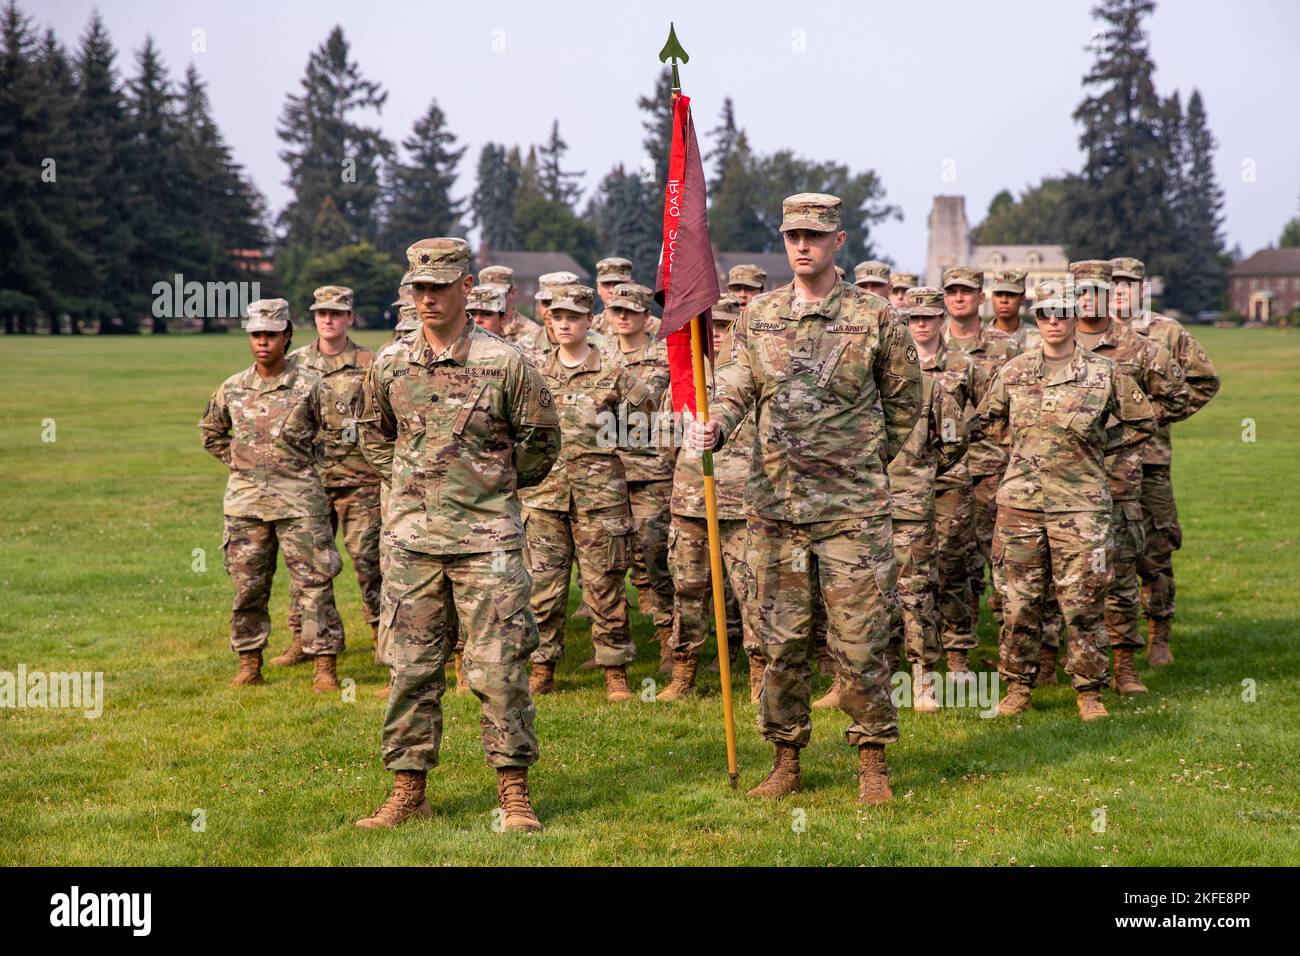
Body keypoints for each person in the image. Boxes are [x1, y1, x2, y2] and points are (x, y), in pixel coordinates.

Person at [691, 193, 921, 805]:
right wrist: (719, 426)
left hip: (853, 513)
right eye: (793, 234)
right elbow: (736, 387)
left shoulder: (876, 318)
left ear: (837, 242)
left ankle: (872, 762)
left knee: (862, 639)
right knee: (779, 641)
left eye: (814, 236)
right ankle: (786, 757)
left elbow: (905, 403)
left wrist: (865, 462)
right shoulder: (758, 316)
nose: (802, 245)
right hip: (777, 512)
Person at [355, 238, 560, 833]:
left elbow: (542, 443)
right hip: (413, 543)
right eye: (418, 288)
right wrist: (411, 492)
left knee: (499, 670)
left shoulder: (506, 364)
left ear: (466, 288)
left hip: (487, 543)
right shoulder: (392, 363)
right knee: (410, 668)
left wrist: (489, 489)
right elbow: (374, 434)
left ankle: (514, 791)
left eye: (439, 287)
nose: (427, 298)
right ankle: (407, 790)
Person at [979, 278, 1155, 720]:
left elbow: (1143, 420)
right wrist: (1025, 446)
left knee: (1082, 603)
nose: (1053, 322)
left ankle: (1089, 690)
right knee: (1017, 603)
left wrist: (1097, 444)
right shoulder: (1015, 371)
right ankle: (1018, 685)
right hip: (1020, 504)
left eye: (1061, 314)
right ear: (1036, 318)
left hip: (1081, 508)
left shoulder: (1104, 373)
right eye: (1044, 314)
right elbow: (987, 419)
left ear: (1074, 318)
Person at [1035, 262, 1187, 693]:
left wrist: (1116, 436)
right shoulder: (1048, 345)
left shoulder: (1138, 348)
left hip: (1119, 479)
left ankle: (1124, 664)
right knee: (1050, 575)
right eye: (1080, 292)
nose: (1088, 300)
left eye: (1097, 292)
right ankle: (1049, 660)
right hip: (1058, 482)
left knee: (1117, 570)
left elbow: (1177, 395)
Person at [199, 298, 345, 691]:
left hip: (300, 503)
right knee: (248, 587)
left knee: (315, 585)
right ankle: (249, 663)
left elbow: (339, 433)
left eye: (271, 335)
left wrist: (305, 464)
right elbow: (211, 433)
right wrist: (244, 462)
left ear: (287, 337)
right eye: (256, 335)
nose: (263, 342)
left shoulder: (311, 386)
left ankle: (324, 667)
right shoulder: (232, 388)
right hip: (246, 504)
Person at [520, 284, 654, 701]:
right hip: (544, 498)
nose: (564, 323)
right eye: (557, 316)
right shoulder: (533, 371)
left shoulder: (612, 373)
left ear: (588, 320)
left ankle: (615, 673)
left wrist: (617, 444)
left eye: (573, 317)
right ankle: (542, 668)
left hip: (600, 500)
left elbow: (647, 414)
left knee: (605, 587)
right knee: (543, 588)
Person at [1110, 256, 1220, 666]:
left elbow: (1204, 381)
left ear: (1143, 288)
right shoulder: (1087, 332)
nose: (1120, 290)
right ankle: (1111, 642)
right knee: (1104, 552)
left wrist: (1153, 415)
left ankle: (1159, 634)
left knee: (1155, 548)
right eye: (1114, 283)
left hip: (1149, 461)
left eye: (1128, 283)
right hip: (1095, 464)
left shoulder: (1166, 332)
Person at [658, 294, 763, 702]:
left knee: (753, 593)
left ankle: (758, 677)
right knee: (688, 589)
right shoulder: (685, 382)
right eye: (710, 328)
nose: (716, 336)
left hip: (743, 505)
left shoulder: (752, 381)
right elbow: (668, 443)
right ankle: (683, 674)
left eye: (724, 328)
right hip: (691, 503)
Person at [278, 285, 383, 673]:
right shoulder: (294, 365)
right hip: (310, 484)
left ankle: (379, 638)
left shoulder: (372, 362)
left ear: (349, 318)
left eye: (336, 313)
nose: (328, 319)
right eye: (322, 313)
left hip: (362, 482)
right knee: (306, 565)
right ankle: (302, 639)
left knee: (370, 562)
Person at [894, 287, 978, 712]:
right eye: (912, 319)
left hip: (912, 503)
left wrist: (925, 470)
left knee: (916, 591)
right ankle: (851, 680)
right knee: (856, 597)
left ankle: (923, 679)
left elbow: (956, 438)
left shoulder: (933, 386)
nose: (920, 325)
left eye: (928, 317)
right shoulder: (865, 385)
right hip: (861, 504)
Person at [942, 266, 1021, 651]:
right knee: (956, 562)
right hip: (945, 474)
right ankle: (964, 647)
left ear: (980, 296)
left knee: (1003, 560)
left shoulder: (1005, 347)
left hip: (993, 469)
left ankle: (1012, 648)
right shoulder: (928, 344)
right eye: (952, 291)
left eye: (967, 291)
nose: (959, 298)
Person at [599, 283, 677, 672]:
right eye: (617, 310)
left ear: (648, 316)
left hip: (653, 472)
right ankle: (614, 646)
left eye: (632, 310)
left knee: (656, 556)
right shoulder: (598, 356)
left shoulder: (665, 355)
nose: (623, 316)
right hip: (607, 472)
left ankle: (669, 642)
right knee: (608, 564)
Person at [478, 264, 540, 346]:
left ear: (512, 293)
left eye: (497, 293)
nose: (491, 298)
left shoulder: (532, 332)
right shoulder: (473, 326)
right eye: (485, 294)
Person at [987, 269, 1041, 350]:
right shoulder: (980, 337)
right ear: (992, 298)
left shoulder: (1038, 339)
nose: (1004, 300)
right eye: (999, 294)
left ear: (1022, 299)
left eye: (1011, 294)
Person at [591, 257, 635, 336]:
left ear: (631, 285)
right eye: (606, 284)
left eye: (618, 284)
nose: (611, 290)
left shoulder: (651, 326)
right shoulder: (589, 327)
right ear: (598, 288)